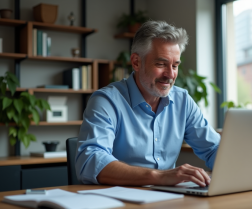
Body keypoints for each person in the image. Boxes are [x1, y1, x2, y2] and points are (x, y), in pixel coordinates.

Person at [75, 20, 221, 187]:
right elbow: (91, 161)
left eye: (175, 65)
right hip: (120, 201)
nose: (170, 74)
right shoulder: (106, 101)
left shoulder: (183, 100)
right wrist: (159, 176)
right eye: (161, 64)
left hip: (168, 200)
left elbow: (214, 149)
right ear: (136, 62)